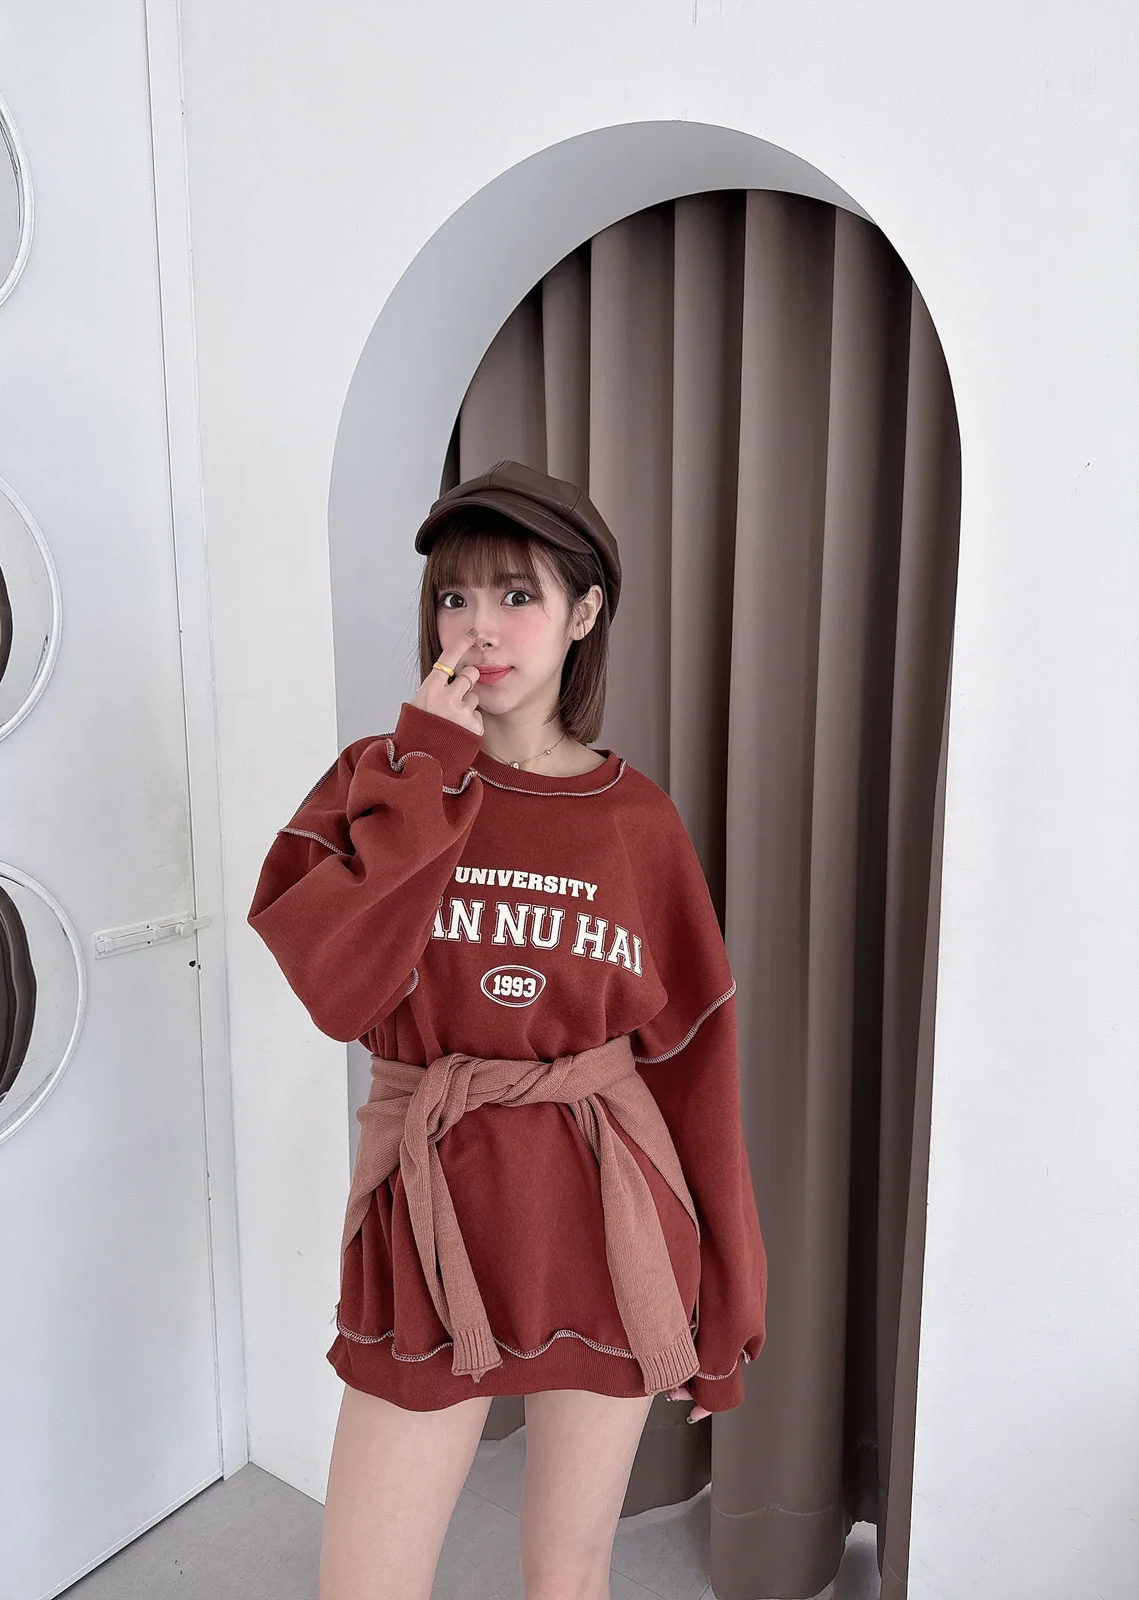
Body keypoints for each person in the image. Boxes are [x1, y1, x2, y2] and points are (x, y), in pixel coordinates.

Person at [248, 460, 768, 1600]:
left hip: (610, 1211)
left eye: (517, 595)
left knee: (568, 1569)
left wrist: (730, 1289)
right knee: (367, 1585)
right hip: (429, 1208)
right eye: (454, 596)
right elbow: (337, 991)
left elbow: (695, 1061)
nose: (478, 627)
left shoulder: (638, 821)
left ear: (585, 614)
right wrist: (427, 774)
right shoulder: (381, 781)